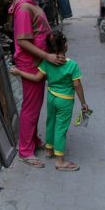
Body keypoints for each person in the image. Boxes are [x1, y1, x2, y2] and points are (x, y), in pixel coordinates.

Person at [8, 0, 66, 168]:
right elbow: (23, 41)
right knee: (31, 107)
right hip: (30, 62)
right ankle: (25, 151)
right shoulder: (24, 9)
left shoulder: (30, 4)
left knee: (35, 104)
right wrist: (47, 56)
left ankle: (32, 140)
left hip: (36, 61)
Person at [10, 30, 89, 171]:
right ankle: (60, 161)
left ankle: (49, 150)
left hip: (51, 98)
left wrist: (19, 72)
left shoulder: (46, 63)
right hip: (65, 100)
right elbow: (77, 85)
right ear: (65, 46)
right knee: (61, 128)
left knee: (50, 122)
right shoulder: (72, 65)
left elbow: (36, 78)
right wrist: (83, 102)